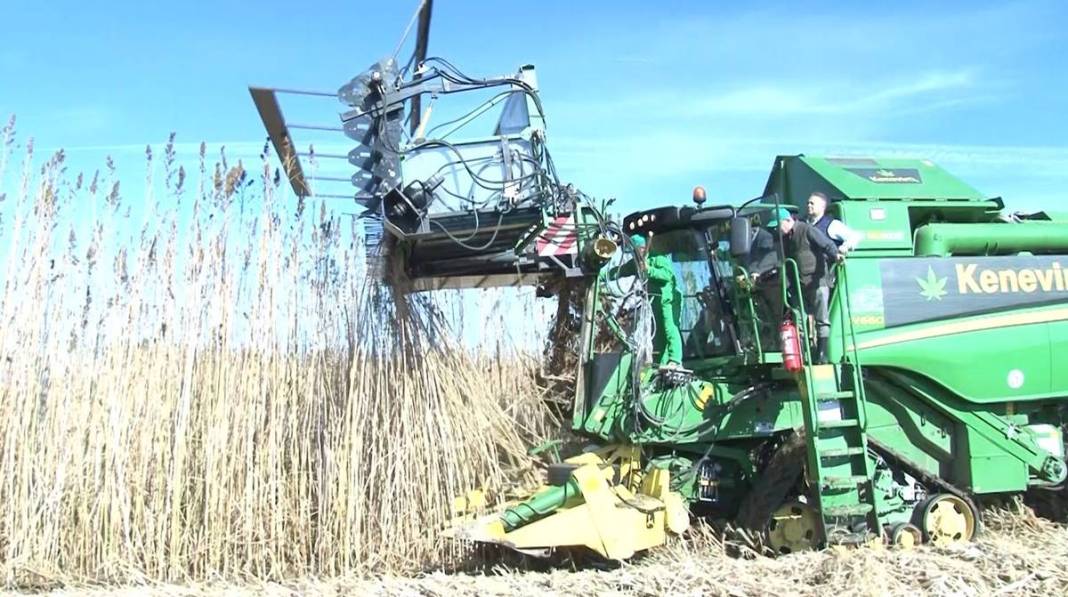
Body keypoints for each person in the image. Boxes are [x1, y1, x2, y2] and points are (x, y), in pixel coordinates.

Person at [766, 207, 842, 362]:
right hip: (798, 286)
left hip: (817, 282)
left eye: (777, 225)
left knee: (822, 319)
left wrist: (837, 256)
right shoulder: (784, 239)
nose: (776, 229)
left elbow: (827, 245)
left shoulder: (807, 230)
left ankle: (821, 354)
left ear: (788, 221)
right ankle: (802, 355)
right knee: (798, 320)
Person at [603, 234, 684, 369]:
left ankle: (676, 360)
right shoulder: (636, 263)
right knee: (657, 334)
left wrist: (649, 270)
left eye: (636, 251)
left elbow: (667, 275)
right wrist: (599, 275)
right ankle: (661, 364)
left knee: (670, 328)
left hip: (668, 299)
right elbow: (618, 271)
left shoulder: (657, 258)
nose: (634, 255)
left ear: (642, 248)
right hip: (654, 301)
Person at [806, 192, 862, 362]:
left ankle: (822, 353)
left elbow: (856, 236)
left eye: (812, 203)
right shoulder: (803, 224)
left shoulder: (832, 225)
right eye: (808, 203)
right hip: (806, 277)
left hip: (825, 277)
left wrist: (845, 248)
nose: (808, 206)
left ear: (822, 207)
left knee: (822, 316)